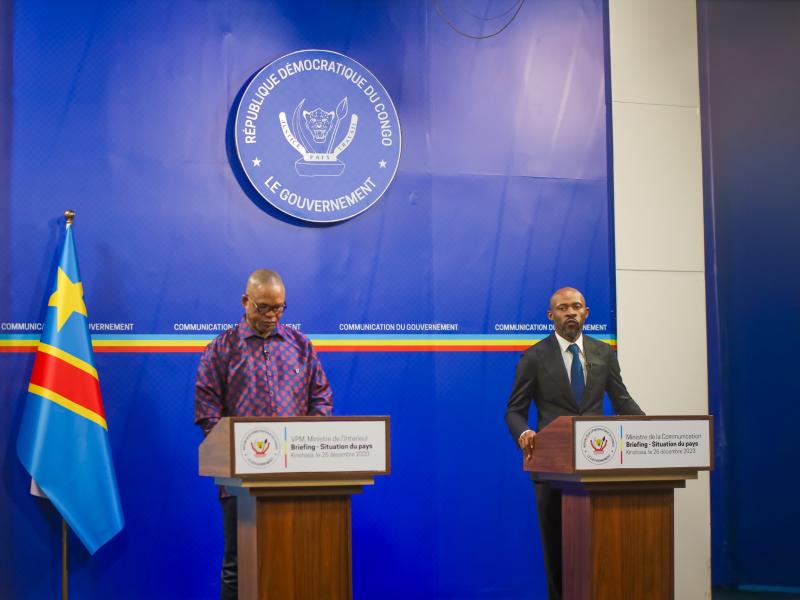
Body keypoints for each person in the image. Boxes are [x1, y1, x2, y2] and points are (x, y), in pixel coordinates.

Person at [194, 269, 333, 600]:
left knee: (297, 562)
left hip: (296, 478)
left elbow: (321, 397)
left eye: (279, 308)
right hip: (240, 480)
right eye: (264, 307)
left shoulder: (301, 346)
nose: (272, 316)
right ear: (245, 302)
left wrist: (308, 443)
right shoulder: (221, 349)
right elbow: (207, 409)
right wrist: (236, 452)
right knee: (237, 565)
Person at [504, 287, 644, 600]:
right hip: (551, 471)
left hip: (597, 470)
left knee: (596, 552)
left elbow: (622, 402)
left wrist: (649, 431)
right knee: (558, 556)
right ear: (551, 315)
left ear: (586, 313)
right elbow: (514, 410)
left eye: (576, 306)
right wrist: (524, 432)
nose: (570, 312)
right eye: (563, 307)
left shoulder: (603, 353)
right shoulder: (534, 357)